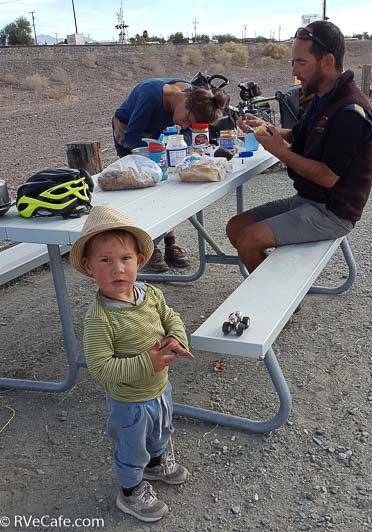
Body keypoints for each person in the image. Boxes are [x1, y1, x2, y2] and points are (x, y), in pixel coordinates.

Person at [70, 205, 193, 523]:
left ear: (139, 260)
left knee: (161, 431)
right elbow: (100, 369)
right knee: (131, 447)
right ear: (88, 266)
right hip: (129, 401)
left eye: (125, 259)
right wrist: (147, 361)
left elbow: (170, 317)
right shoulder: (100, 318)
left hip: (159, 387)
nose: (117, 269)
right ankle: (130, 490)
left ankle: (155, 464)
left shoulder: (149, 293)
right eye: (105, 261)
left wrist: (177, 338)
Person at [227, 21, 372, 274]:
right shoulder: (323, 96)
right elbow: (298, 134)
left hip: (333, 213)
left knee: (248, 239)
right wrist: (265, 128)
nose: (296, 72)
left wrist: (281, 152)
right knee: (236, 226)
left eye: (301, 63)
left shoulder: (349, 111)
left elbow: (328, 176)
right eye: (293, 63)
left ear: (327, 61)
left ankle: (278, 304)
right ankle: (278, 286)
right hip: (309, 200)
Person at [113, 77, 227, 273]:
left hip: (158, 132)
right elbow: (132, 135)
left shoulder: (191, 94)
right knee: (146, 189)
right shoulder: (150, 95)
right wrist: (156, 158)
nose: (184, 126)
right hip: (128, 130)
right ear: (185, 103)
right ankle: (150, 247)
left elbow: (186, 135)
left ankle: (170, 244)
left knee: (167, 186)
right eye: (187, 120)